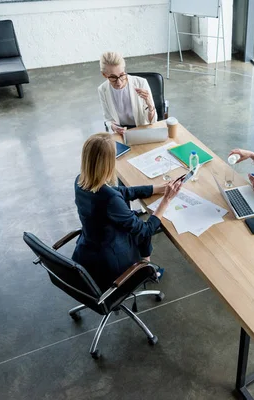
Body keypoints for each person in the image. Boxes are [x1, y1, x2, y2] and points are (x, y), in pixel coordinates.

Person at [72, 133, 182, 290]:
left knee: (134, 224)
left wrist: (156, 189)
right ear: (107, 164)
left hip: (87, 253)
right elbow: (145, 231)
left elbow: (120, 192)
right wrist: (166, 200)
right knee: (141, 232)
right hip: (111, 264)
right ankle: (146, 271)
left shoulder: (81, 180)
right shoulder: (109, 198)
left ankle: (147, 269)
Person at [98, 51, 157, 136]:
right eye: (113, 77)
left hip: (141, 130)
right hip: (121, 132)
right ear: (104, 75)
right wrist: (112, 126)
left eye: (122, 75)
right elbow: (108, 119)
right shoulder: (102, 90)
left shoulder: (141, 83)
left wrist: (151, 106)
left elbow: (152, 121)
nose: (119, 82)